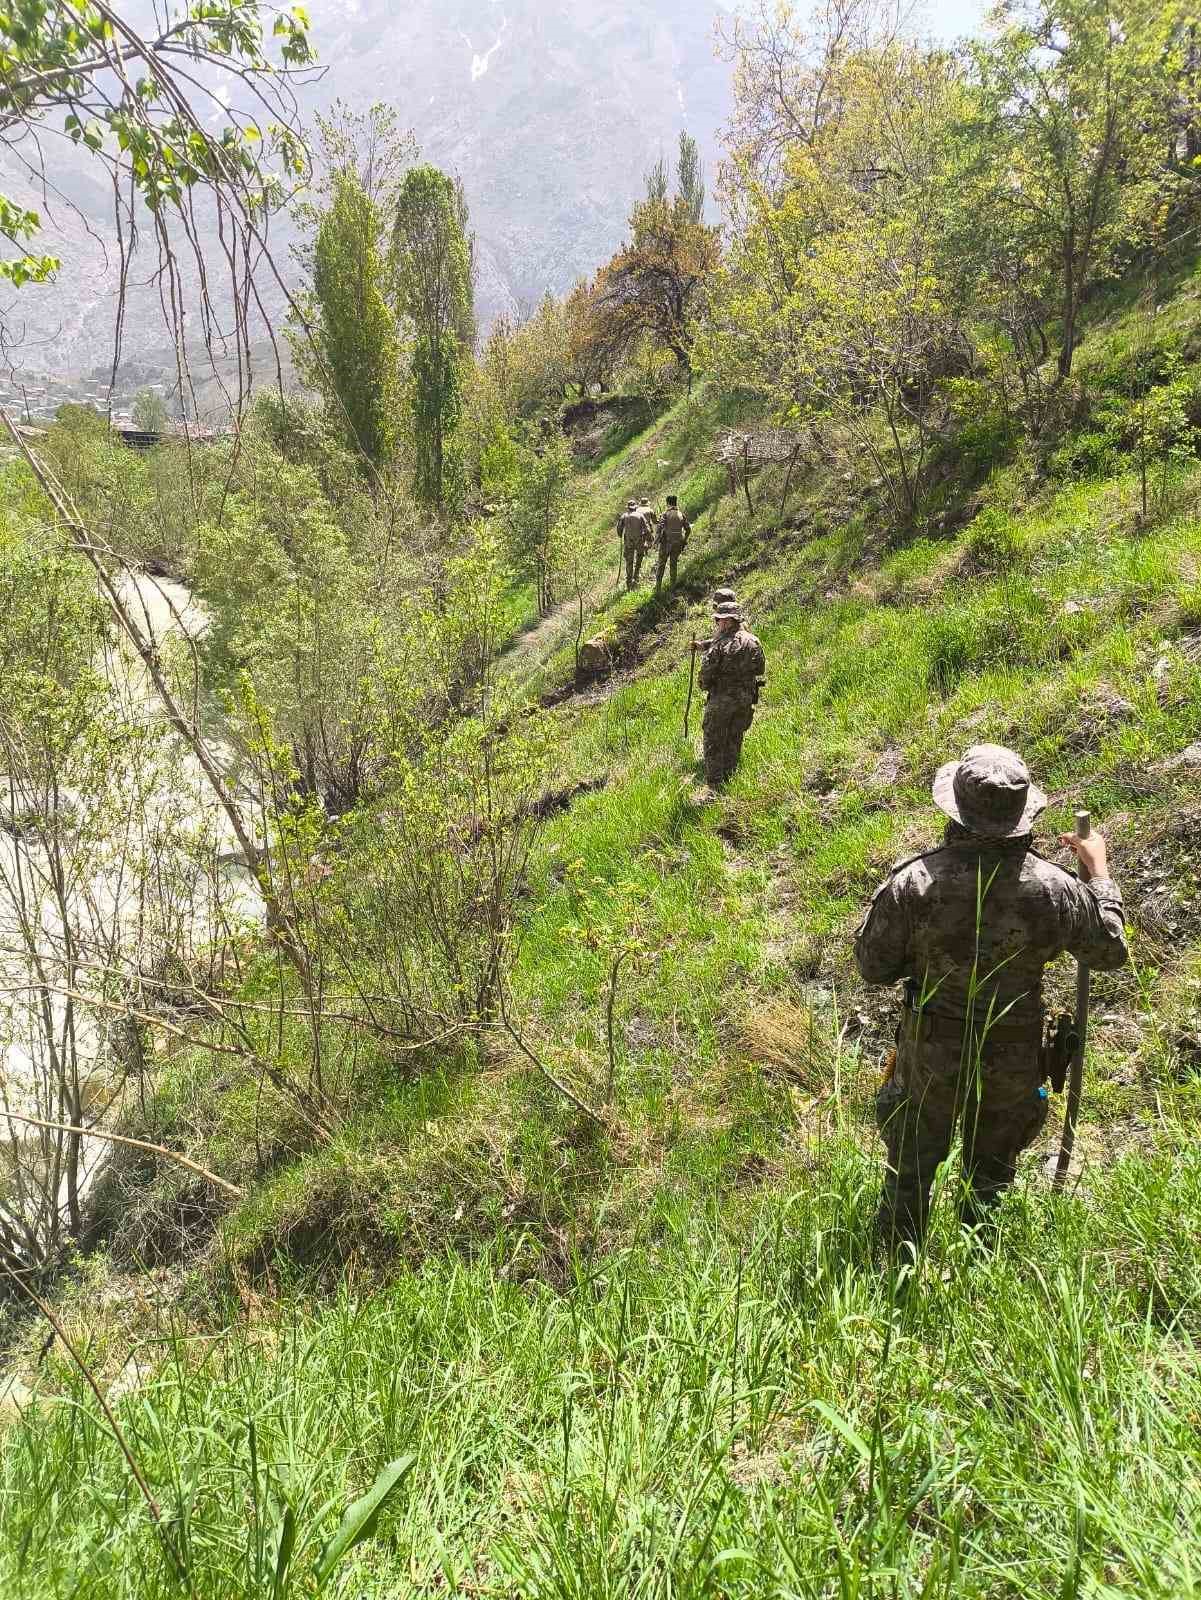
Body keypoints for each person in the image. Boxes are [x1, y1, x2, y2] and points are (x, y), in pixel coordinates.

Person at [854, 744, 1129, 1251]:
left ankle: (893, 1267)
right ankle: (979, 1272)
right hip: (1014, 1054)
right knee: (991, 1183)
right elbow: (1109, 952)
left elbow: (873, 967)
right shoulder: (1056, 889)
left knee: (909, 1173)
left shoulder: (914, 883)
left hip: (931, 1052)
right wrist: (1100, 876)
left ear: (955, 810)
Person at [694, 600, 765, 786]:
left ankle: (715, 786)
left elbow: (704, 677)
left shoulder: (718, 645)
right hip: (745, 699)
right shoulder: (753, 641)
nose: (720, 624)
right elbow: (760, 669)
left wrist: (707, 684)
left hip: (721, 701)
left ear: (727, 621)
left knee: (714, 741)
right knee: (734, 738)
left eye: (721, 620)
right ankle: (730, 780)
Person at [655, 494, 691, 593]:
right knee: (673, 565)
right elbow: (688, 529)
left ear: (668, 503)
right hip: (677, 543)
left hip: (666, 544)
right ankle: (673, 588)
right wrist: (684, 540)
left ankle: (658, 588)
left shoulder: (665, 514)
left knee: (661, 565)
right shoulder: (681, 514)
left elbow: (659, 528)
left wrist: (656, 541)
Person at [617, 501, 647, 591]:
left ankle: (629, 582)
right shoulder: (640, 516)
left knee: (629, 562)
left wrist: (620, 534)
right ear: (635, 507)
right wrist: (647, 539)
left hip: (628, 542)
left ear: (628, 508)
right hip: (639, 541)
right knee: (639, 556)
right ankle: (636, 575)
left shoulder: (624, 516)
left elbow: (619, 528)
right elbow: (646, 529)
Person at [635, 499, 656, 584]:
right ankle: (647, 552)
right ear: (647, 503)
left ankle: (643, 552)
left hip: (638, 530)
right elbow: (654, 521)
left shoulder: (637, 510)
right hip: (647, 528)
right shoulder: (650, 510)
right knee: (651, 541)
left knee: (641, 543)